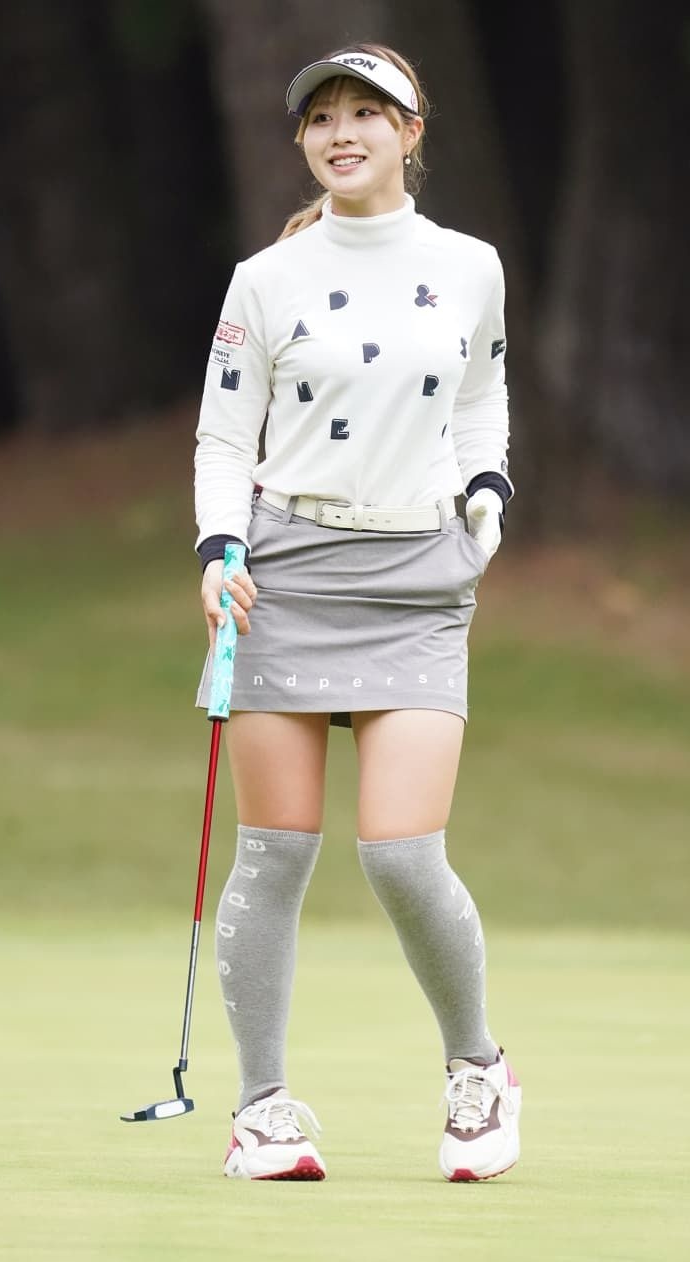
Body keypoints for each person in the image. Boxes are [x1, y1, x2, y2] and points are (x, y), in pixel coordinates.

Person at [194, 43, 521, 1183]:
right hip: (284, 572)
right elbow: (225, 435)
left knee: (401, 853)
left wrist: (486, 494)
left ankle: (478, 1068)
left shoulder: (469, 265)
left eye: (366, 114)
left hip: (419, 578)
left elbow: (482, 397)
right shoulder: (265, 278)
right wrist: (220, 547)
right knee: (274, 853)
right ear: (302, 139)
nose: (342, 133)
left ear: (411, 131)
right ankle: (262, 1111)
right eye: (322, 117)